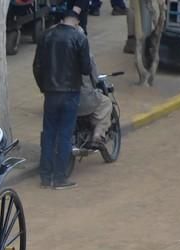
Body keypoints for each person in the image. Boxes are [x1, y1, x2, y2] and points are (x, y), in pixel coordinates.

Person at [33, 8, 91, 189]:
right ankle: (59, 178)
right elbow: (86, 69)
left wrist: (44, 87)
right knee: (65, 135)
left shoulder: (46, 36)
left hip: (50, 92)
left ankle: (45, 176)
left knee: (49, 133)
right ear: (76, 21)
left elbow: (37, 66)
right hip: (70, 92)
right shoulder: (79, 38)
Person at [77, 28, 113, 147]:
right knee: (106, 103)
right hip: (81, 99)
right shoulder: (87, 55)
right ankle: (98, 135)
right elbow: (95, 78)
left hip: (57, 97)